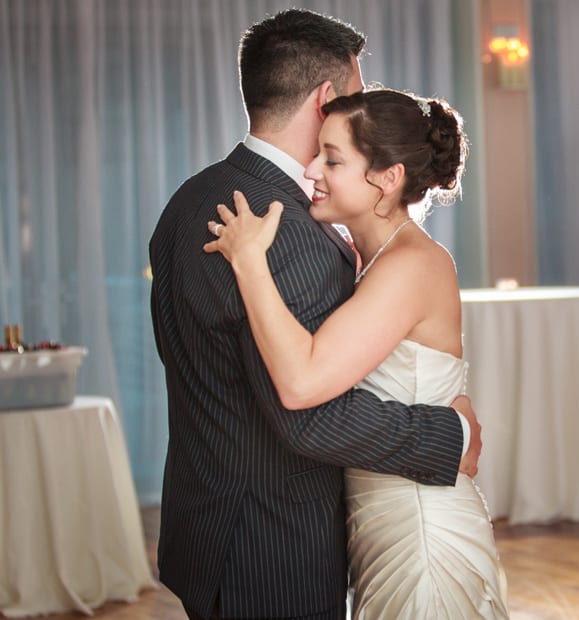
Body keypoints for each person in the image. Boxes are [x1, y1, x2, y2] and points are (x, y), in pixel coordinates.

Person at [149, 10, 481, 620]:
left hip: (205, 526)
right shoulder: (284, 228)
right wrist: (447, 434)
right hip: (272, 541)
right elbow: (306, 415)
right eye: (357, 98)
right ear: (327, 98)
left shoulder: (192, 197)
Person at [204, 88, 508, 619]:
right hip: (378, 522)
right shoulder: (365, 259)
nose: (312, 170)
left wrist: (250, 262)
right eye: (317, 152)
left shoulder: (412, 264)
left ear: (387, 179)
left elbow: (301, 382)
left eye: (333, 159)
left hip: (420, 527)